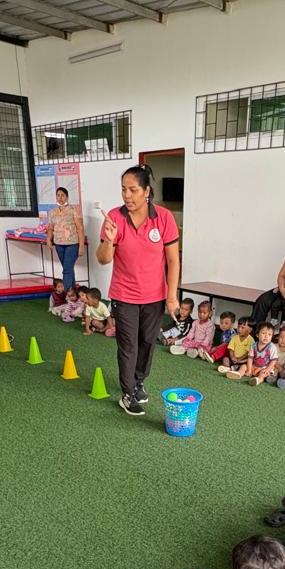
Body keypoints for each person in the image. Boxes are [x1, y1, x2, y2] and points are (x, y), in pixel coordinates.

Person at [96, 164, 181, 416]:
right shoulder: (115, 217)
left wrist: (172, 296)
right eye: (123, 189)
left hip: (154, 296)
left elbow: (173, 260)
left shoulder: (164, 217)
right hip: (124, 295)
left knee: (147, 343)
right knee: (128, 345)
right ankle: (127, 393)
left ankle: (139, 381)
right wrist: (109, 239)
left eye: (133, 190)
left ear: (147, 191)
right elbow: (103, 259)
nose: (127, 195)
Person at [45, 186, 86, 290]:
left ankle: (66, 294)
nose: (60, 197)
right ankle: (73, 293)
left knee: (66, 270)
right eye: (58, 195)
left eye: (62, 195)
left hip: (72, 244)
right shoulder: (52, 212)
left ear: (67, 197)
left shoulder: (74, 210)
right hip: (59, 244)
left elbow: (80, 228)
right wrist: (48, 239)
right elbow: (50, 228)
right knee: (68, 269)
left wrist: (81, 246)